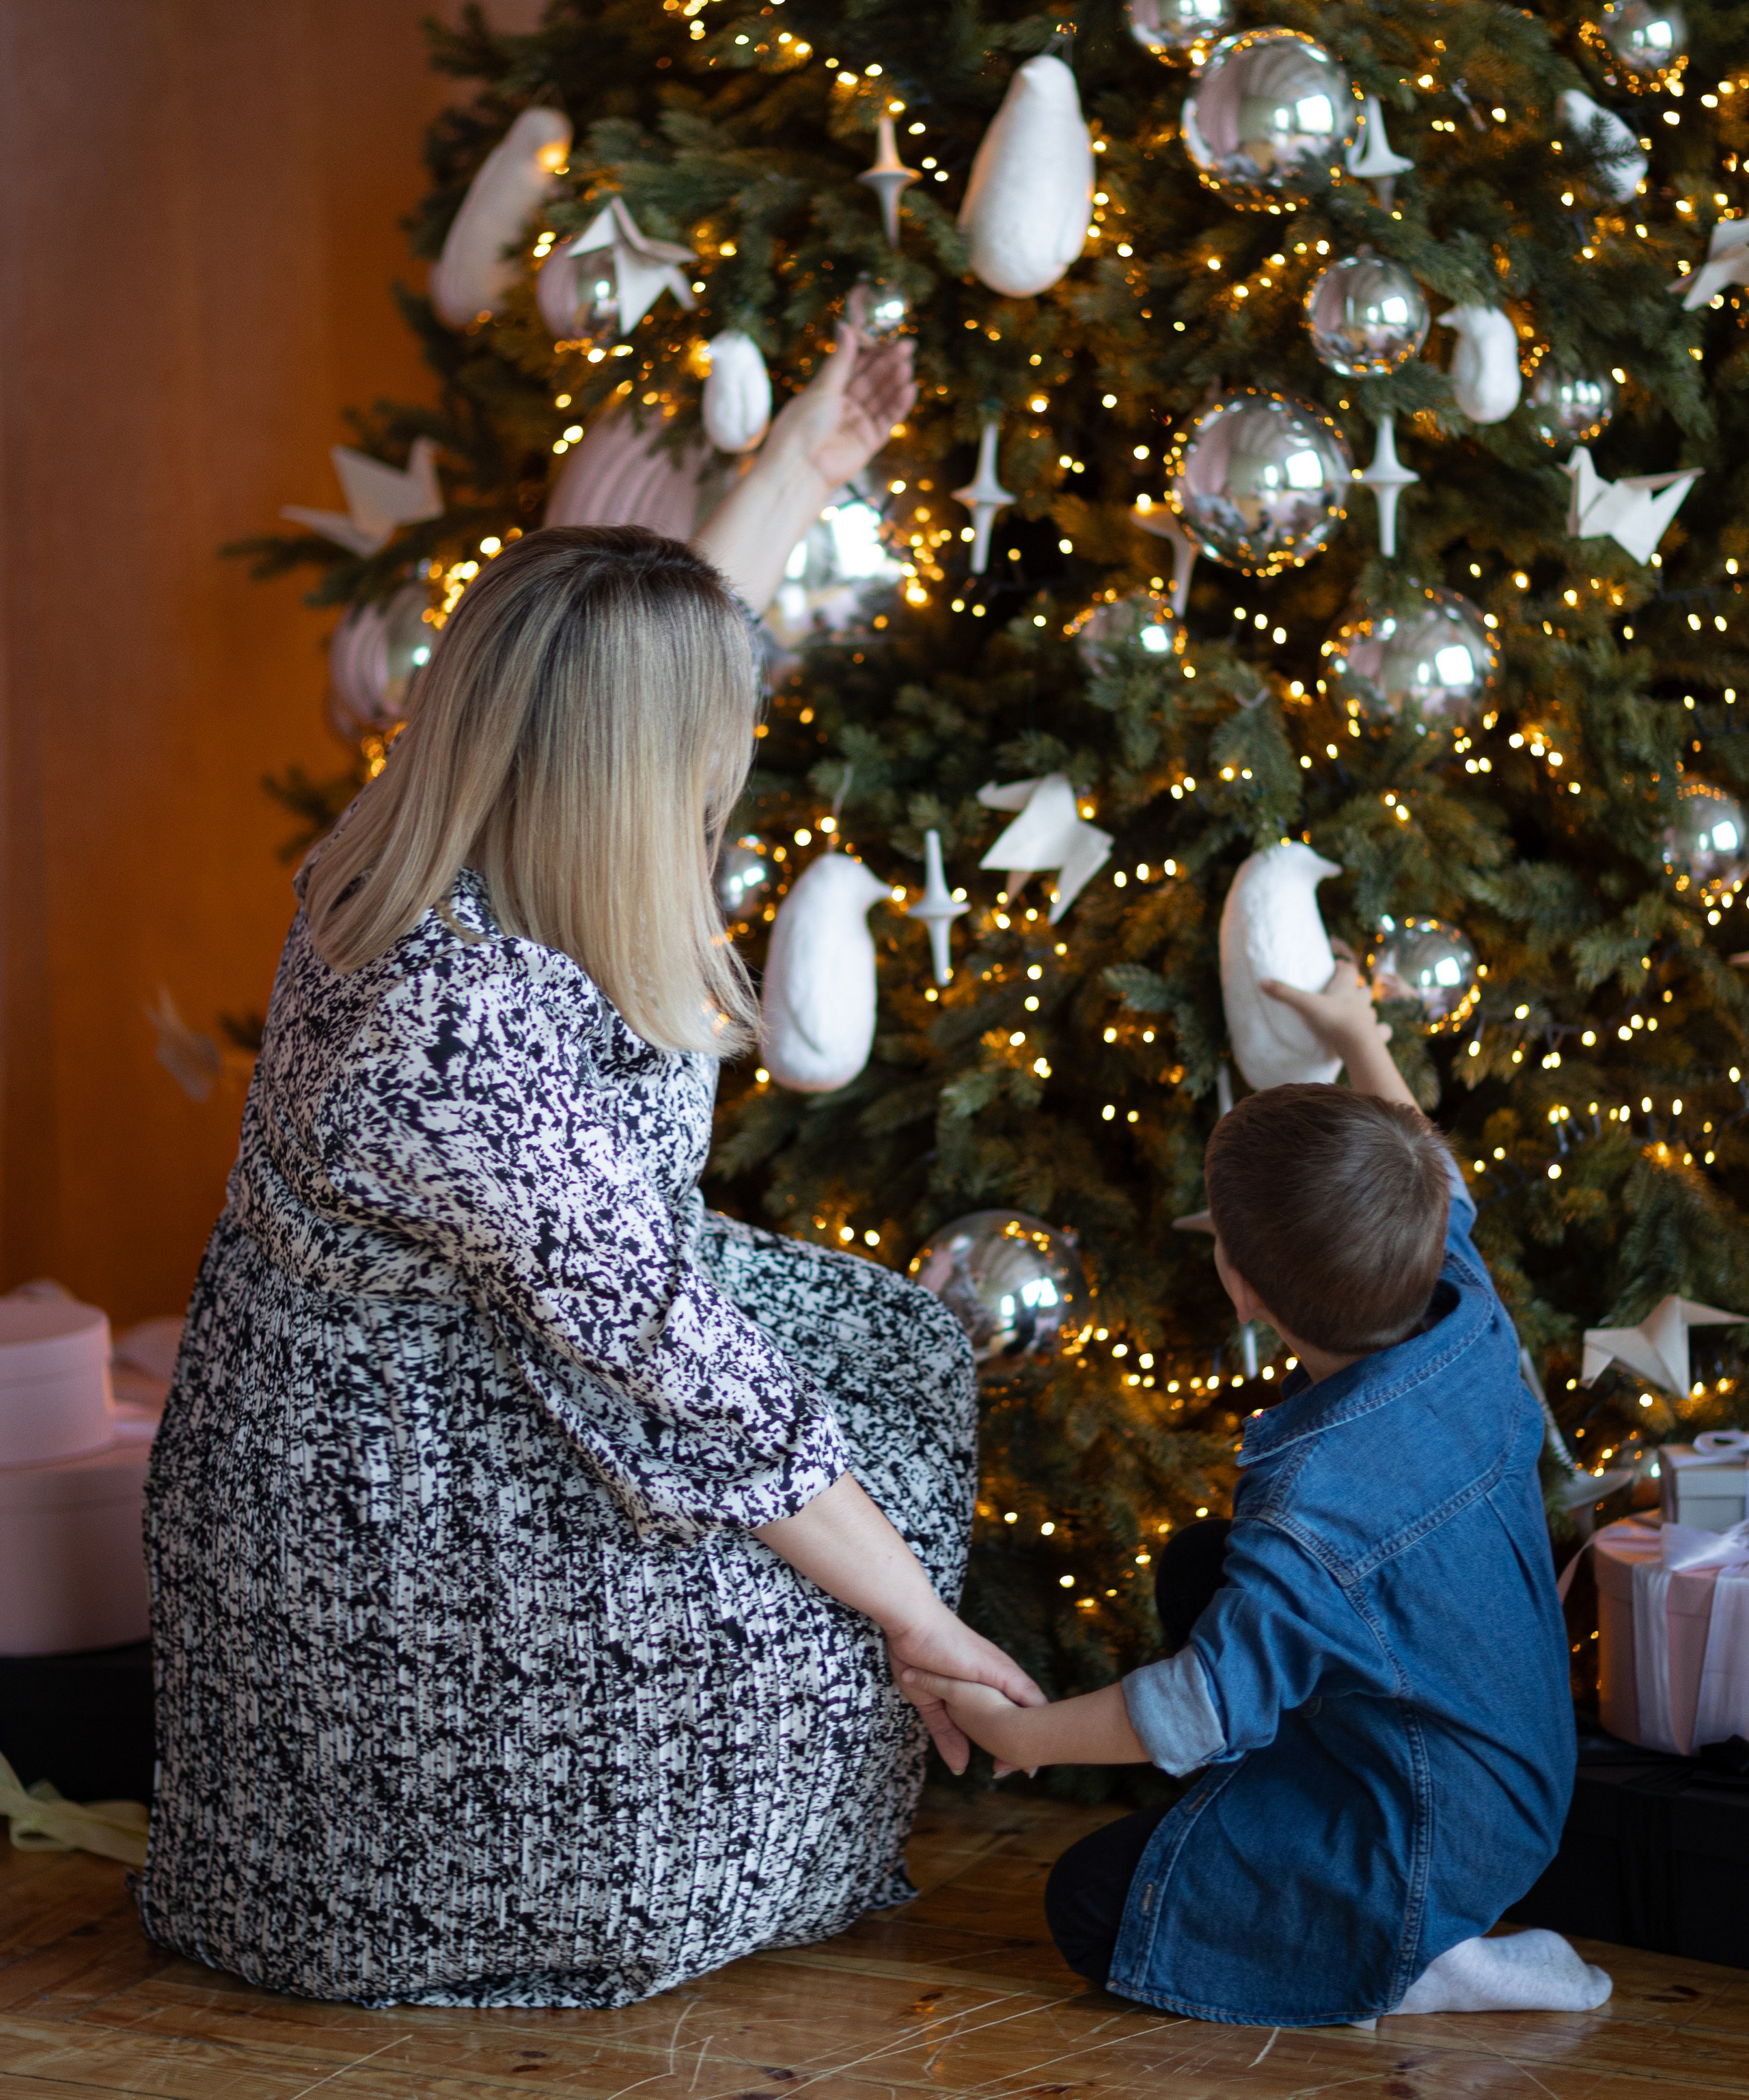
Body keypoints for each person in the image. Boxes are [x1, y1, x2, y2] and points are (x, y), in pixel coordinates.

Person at [142, 326, 1041, 2009]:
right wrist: (921, 1615)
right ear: (638, 773)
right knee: (785, 1564)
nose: (733, 756)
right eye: (714, 735)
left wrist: (793, 476)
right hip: (397, 1497)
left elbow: (621, 660)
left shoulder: (454, 815)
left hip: (523, 1347)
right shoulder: (447, 1021)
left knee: (881, 1368)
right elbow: (688, 1379)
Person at [900, 962, 1606, 2028]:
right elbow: (1442, 1182)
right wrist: (1361, 1034)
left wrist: (1022, 1739)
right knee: (1201, 1565)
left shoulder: (1323, 1503)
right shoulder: (1462, 1310)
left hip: (1432, 1828)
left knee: (1092, 1907)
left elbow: (1203, 1703)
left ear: (1238, 1284)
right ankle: (1314, 1858)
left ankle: (1423, 1957)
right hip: (1510, 1752)